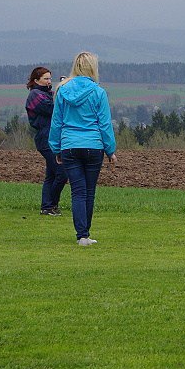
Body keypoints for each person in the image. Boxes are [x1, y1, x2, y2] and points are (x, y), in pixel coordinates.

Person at [49, 52, 116, 246]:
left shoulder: (62, 91)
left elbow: (57, 122)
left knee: (77, 191)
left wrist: (56, 148)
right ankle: (86, 233)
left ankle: (82, 235)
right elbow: (104, 125)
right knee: (89, 191)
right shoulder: (98, 92)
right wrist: (110, 150)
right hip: (94, 146)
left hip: (69, 145)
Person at [25, 66, 68, 215]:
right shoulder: (36, 95)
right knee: (61, 172)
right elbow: (53, 108)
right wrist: (62, 92)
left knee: (51, 175)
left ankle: (47, 206)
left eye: (50, 78)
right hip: (46, 138)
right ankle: (51, 205)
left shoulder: (44, 93)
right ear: (36, 80)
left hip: (51, 137)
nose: (49, 81)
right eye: (46, 79)